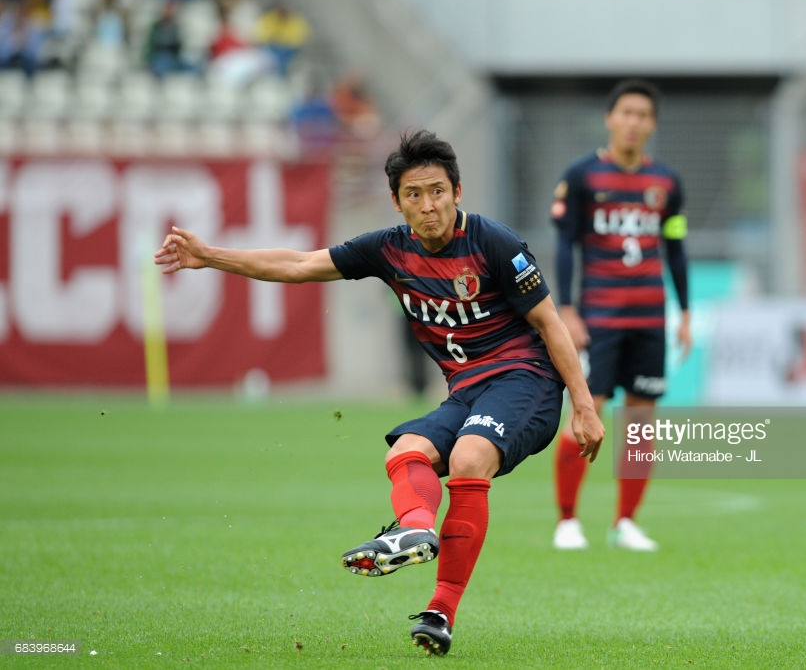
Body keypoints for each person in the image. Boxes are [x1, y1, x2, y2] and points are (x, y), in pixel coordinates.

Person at [153, 129, 605, 656]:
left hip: (526, 379)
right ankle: (414, 532)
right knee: (406, 451)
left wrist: (585, 405)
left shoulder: (495, 244)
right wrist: (210, 256)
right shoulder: (388, 249)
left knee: (467, 457)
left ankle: (442, 607)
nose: (428, 205)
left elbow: (550, 324)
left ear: (458, 193)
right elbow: (299, 265)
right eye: (414, 194)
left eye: (437, 191)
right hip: (465, 391)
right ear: (397, 201)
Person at [549, 78, 691, 552]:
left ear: (652, 124)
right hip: (599, 318)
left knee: (641, 422)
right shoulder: (583, 176)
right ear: (610, 118)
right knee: (588, 414)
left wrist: (685, 312)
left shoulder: (667, 183)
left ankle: (625, 522)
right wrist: (567, 309)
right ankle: (567, 520)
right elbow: (565, 246)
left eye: (643, 115)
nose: (633, 122)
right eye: (626, 113)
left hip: (650, 317)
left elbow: (675, 248)